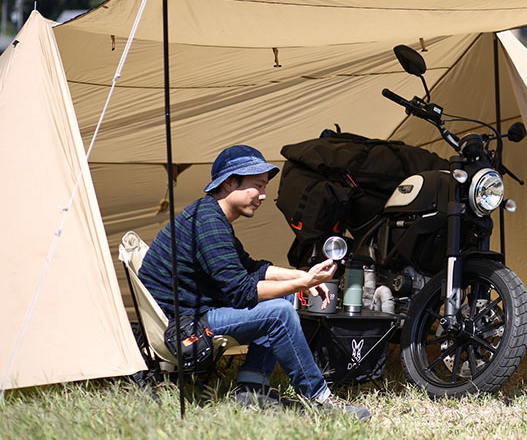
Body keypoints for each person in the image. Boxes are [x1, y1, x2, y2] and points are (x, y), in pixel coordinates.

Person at [137, 144, 370, 420]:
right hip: (182, 328)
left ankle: (252, 390)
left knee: (283, 298)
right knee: (280, 312)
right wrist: (302, 283)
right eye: (257, 185)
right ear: (229, 182)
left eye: (265, 187)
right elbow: (242, 292)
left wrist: (302, 277)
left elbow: (250, 268)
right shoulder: (207, 222)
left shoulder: (211, 216)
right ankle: (319, 399)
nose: (263, 195)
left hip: (189, 316)